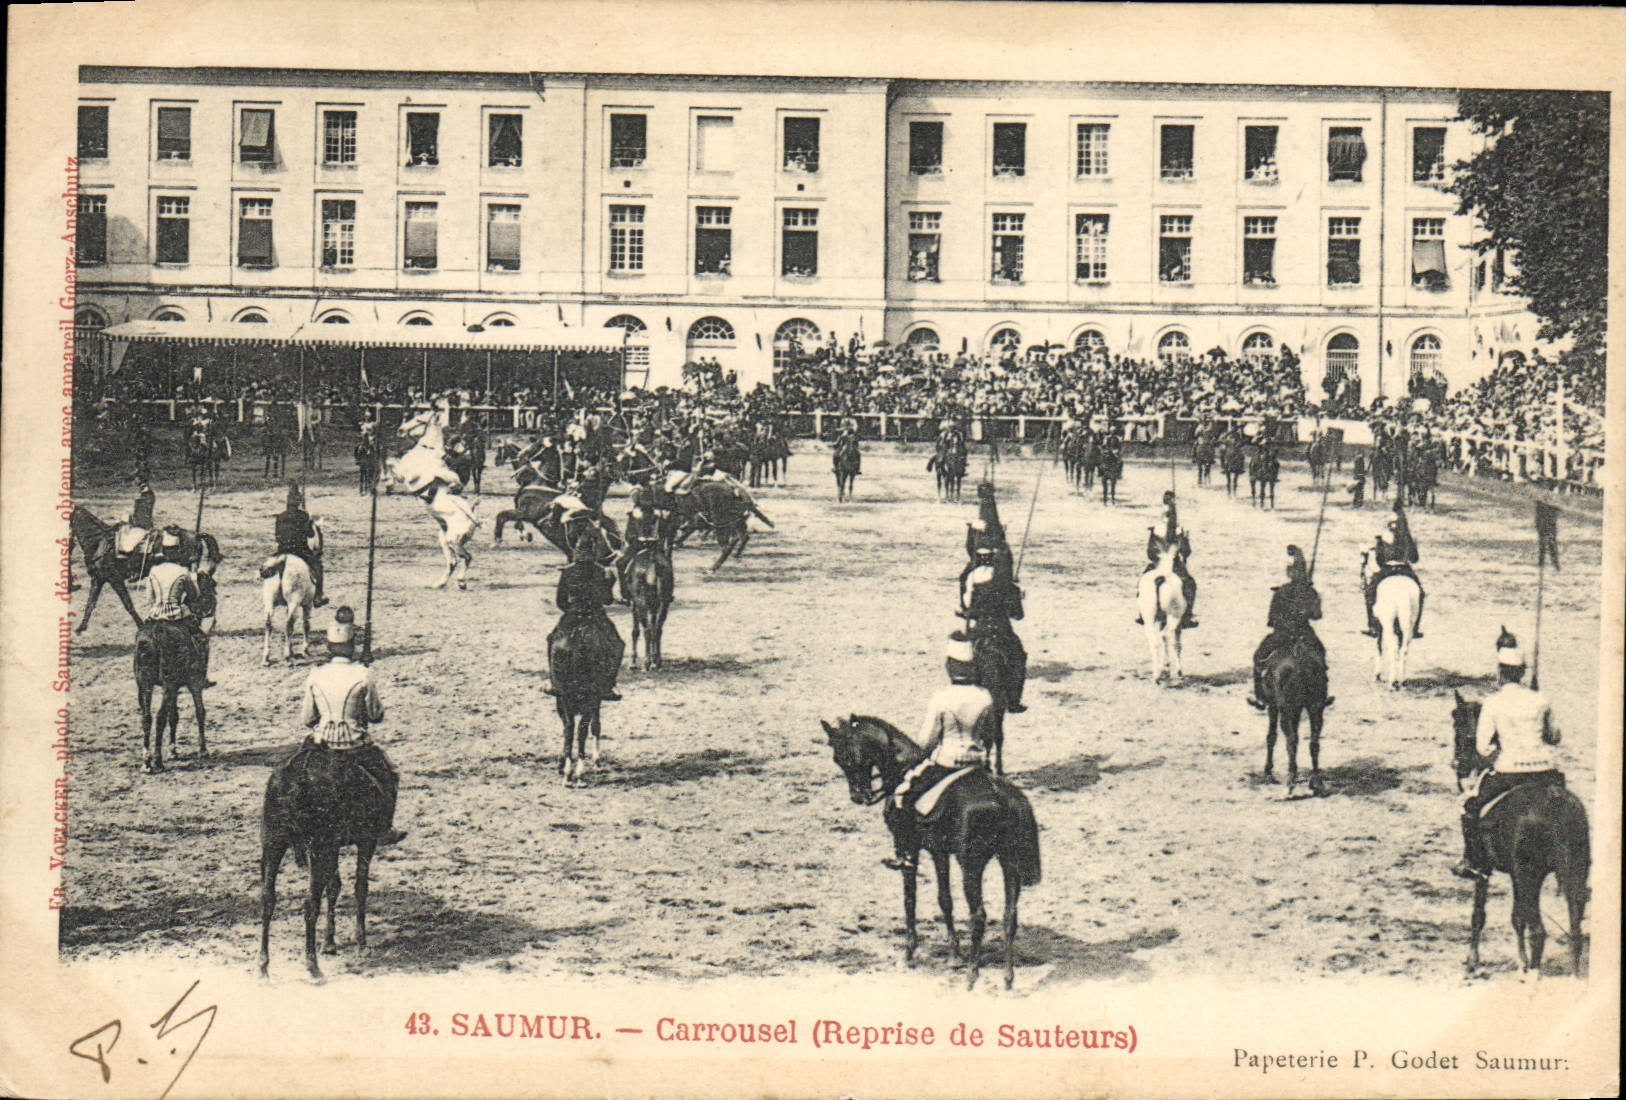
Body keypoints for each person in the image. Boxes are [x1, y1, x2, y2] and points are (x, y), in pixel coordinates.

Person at [882, 635, 998, 872]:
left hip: (948, 764)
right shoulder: (986, 697)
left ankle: (907, 855)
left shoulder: (942, 698)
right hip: (978, 765)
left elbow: (926, 742)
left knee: (902, 796)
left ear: (950, 666)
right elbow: (990, 734)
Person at [1454, 631, 1564, 880]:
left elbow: (1483, 748)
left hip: (1509, 771)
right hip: (1546, 770)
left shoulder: (1493, 703)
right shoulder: (1541, 699)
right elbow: (1555, 737)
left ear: (1500, 672)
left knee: (1469, 806)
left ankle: (1474, 861)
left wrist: (1499, 756)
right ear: (1523, 672)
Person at [296, 606, 405, 846]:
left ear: (329, 646)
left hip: (321, 743)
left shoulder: (315, 674)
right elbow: (376, 715)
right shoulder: (363, 674)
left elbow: (307, 719)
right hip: (354, 744)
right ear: (352, 645)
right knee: (390, 775)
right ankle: (383, 828)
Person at [1247, 545, 1326, 709]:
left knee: (1259, 657)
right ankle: (1321, 696)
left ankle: (1260, 696)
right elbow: (1317, 615)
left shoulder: (1281, 591)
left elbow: (1271, 618)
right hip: (1305, 633)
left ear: (1290, 574)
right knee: (1320, 658)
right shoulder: (1310, 592)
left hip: (1282, 634)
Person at [549, 538, 624, 702]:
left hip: (573, 616)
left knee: (552, 641)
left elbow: (561, 602)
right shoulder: (602, 572)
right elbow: (607, 600)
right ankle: (608, 685)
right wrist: (610, 584)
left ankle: (555, 683)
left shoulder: (567, 572)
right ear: (593, 552)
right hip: (596, 616)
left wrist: (572, 610)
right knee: (617, 645)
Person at [960, 542, 1028, 713]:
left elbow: (966, 606)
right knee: (1018, 658)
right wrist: (1017, 594)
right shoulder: (1006, 583)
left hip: (979, 628)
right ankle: (1013, 701)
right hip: (1001, 629)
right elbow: (1018, 615)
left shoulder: (969, 577)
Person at [144, 530, 215, 688]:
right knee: (201, 640)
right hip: (176, 616)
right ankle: (200, 678)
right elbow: (194, 595)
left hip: (155, 615)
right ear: (178, 552)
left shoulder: (153, 571)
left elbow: (149, 599)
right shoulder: (183, 572)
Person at [1138, 490, 1198, 629]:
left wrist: (1158, 557)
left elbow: (1150, 552)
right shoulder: (1178, 530)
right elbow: (1186, 552)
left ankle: (1143, 613)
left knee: (1143, 581)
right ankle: (1187, 615)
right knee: (1190, 584)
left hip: (1158, 564)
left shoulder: (1156, 528)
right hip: (1174, 564)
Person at [1363, 500, 1423, 638]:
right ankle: (1414, 627)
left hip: (1387, 570)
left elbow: (1379, 560)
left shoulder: (1384, 537)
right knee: (1420, 593)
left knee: (1370, 592)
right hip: (1405, 570)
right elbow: (1414, 558)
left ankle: (1373, 625)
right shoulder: (1407, 538)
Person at [274, 481, 327, 607]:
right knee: (318, 566)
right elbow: (310, 534)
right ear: (298, 503)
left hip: (282, 550)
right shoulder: (303, 516)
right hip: (299, 551)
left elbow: (277, 536)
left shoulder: (280, 516)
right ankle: (319, 595)